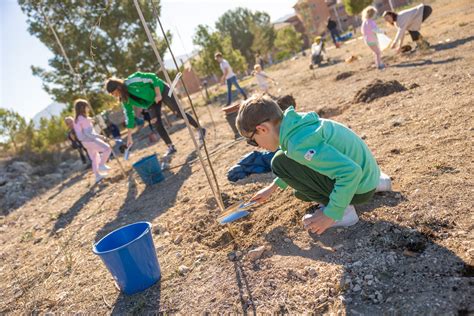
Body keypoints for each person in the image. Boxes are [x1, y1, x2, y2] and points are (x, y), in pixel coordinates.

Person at [236, 95, 390, 235]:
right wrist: (273, 187)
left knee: (279, 163)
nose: (255, 145)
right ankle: (379, 183)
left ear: (262, 129)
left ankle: (344, 213)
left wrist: (330, 214)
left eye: (251, 140)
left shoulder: (299, 144)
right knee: (285, 162)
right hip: (369, 174)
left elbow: (350, 172)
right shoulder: (295, 124)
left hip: (359, 184)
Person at [105, 72, 206, 157]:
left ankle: (200, 129)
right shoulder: (124, 99)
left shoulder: (132, 80)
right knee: (156, 123)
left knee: (178, 112)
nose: (114, 96)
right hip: (151, 102)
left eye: (114, 93)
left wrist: (158, 94)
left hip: (161, 90)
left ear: (118, 87)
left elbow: (152, 77)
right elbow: (129, 115)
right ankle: (170, 146)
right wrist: (129, 136)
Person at [73, 99, 112, 183]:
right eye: (87, 106)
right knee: (107, 148)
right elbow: (89, 133)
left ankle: (97, 176)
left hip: (84, 142)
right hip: (90, 140)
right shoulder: (83, 119)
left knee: (95, 158)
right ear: (82, 107)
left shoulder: (76, 119)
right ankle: (101, 165)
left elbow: (83, 131)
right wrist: (101, 137)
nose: (88, 108)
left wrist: (90, 120)